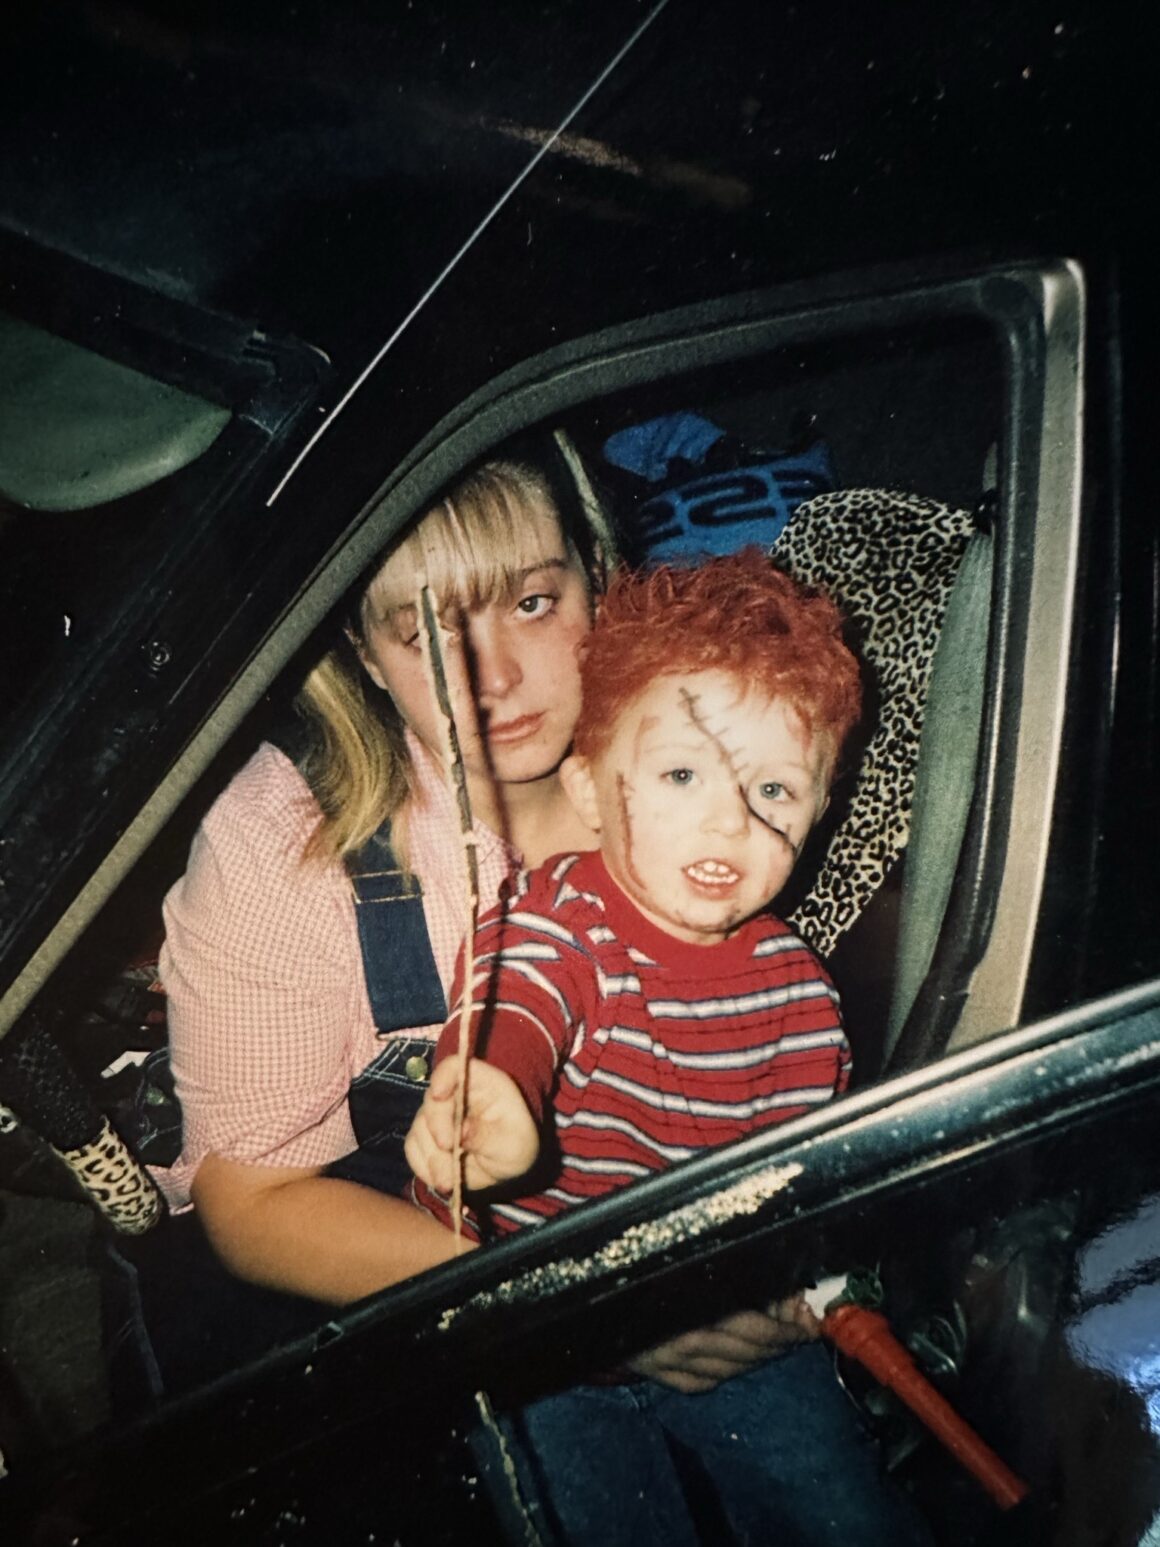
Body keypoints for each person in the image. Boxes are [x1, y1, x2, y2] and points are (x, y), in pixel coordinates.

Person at [148, 459, 818, 1395]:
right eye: (425, 631)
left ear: (598, 575)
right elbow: (252, 1203)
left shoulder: (705, 748)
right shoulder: (282, 839)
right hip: (424, 1288)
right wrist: (589, 1305)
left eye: (534, 603)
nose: (494, 677)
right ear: (365, 653)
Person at [405, 552, 931, 1547]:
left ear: (820, 808)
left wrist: (806, 1278)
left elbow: (804, 1180)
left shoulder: (799, 994)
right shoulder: (558, 913)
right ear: (590, 790)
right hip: (543, 1348)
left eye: (773, 787)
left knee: (853, 1516)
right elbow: (522, 985)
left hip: (723, 1331)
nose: (728, 818)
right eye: (682, 773)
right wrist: (491, 1082)